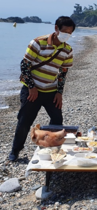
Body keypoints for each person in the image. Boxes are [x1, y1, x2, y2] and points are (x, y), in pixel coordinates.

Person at [8, 16, 76, 161]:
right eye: (65, 32)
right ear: (56, 28)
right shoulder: (38, 43)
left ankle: (50, 146)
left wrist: (59, 93)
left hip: (51, 91)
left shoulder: (67, 50)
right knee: (24, 121)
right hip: (32, 90)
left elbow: (63, 72)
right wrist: (32, 87)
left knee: (57, 120)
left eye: (70, 33)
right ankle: (15, 151)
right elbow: (24, 66)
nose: (67, 35)